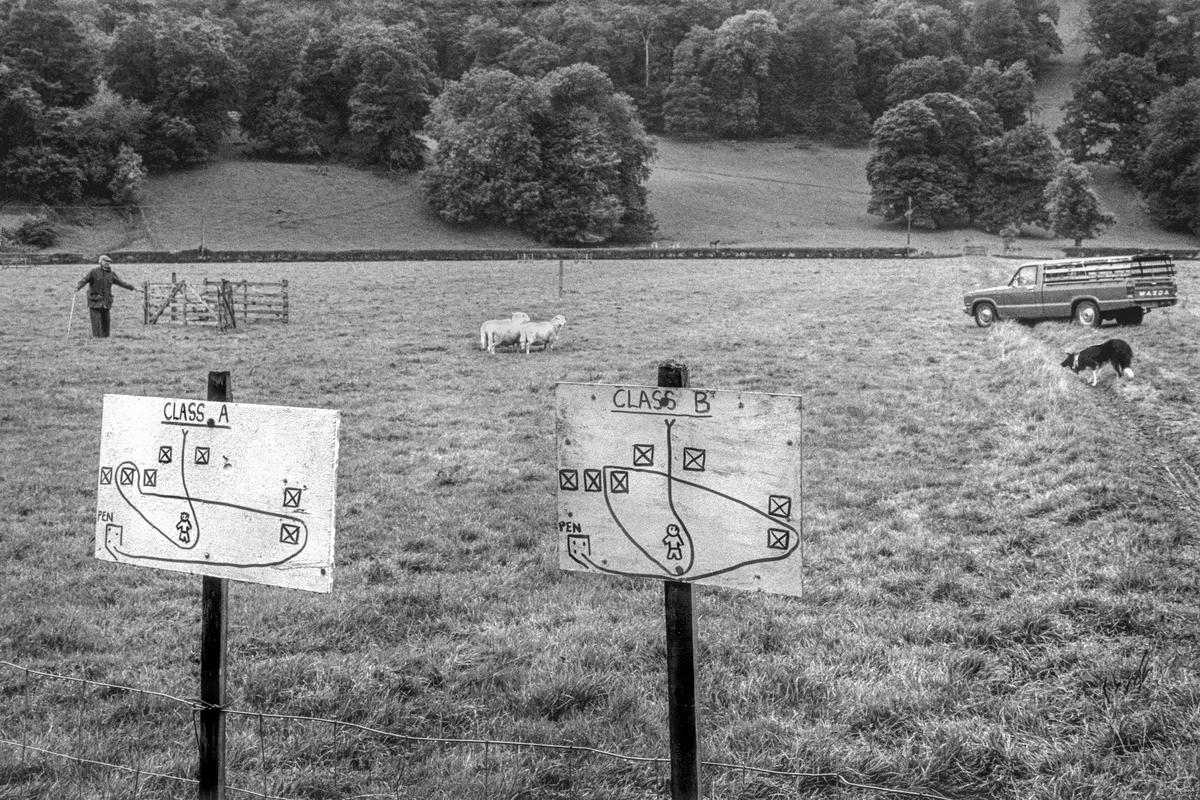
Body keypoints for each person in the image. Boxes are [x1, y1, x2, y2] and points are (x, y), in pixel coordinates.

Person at [75, 255, 135, 338]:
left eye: (109, 262)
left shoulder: (111, 274)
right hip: (94, 301)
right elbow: (84, 280)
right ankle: (96, 339)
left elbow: (121, 283)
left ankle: (105, 340)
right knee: (96, 323)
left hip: (106, 302)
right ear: (100, 262)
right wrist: (77, 287)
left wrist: (133, 288)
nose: (107, 263)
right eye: (105, 261)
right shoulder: (93, 272)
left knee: (106, 322)